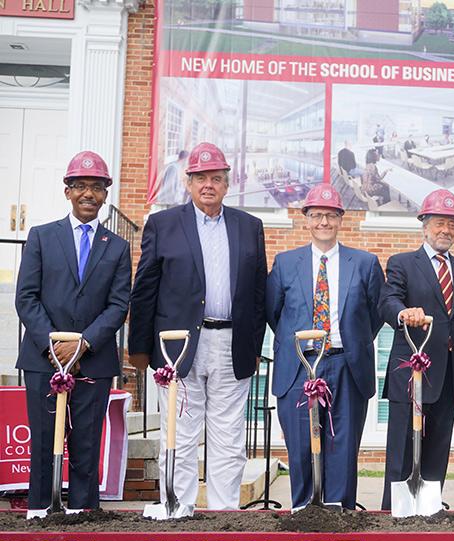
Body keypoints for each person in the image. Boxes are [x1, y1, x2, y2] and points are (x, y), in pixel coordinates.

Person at [129, 142, 267, 511]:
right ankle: (177, 510)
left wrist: (254, 348)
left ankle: (224, 515)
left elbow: (258, 294)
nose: (209, 185)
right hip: (178, 346)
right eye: (201, 178)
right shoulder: (163, 224)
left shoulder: (249, 227)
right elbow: (144, 288)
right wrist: (140, 348)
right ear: (188, 183)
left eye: (216, 178)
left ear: (227, 184)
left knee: (229, 437)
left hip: (231, 344)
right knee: (180, 433)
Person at [16, 151, 131, 512]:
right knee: (43, 442)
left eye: (96, 187)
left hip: (93, 361)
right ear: (67, 191)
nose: (88, 194)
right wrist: (55, 346)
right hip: (43, 359)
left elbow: (118, 305)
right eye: (80, 186)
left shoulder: (117, 247)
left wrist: (82, 345)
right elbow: (26, 298)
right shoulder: (41, 237)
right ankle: (39, 513)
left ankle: (84, 516)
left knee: (86, 445)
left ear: (105, 195)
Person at [266, 184, 384, 510]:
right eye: (317, 215)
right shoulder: (286, 263)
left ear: (341, 219)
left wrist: (351, 341)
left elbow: (374, 315)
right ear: (306, 219)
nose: (324, 222)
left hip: (346, 364)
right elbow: (274, 313)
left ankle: (340, 514)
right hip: (299, 367)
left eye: (331, 215)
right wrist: (303, 345)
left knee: (342, 446)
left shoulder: (364, 263)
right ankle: (304, 511)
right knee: (301, 445)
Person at [379, 190, 454, 510]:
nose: (446, 230)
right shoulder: (402, 263)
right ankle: (393, 513)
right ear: (424, 225)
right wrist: (403, 313)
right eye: (439, 223)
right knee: (402, 451)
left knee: (438, 451)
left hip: (449, 376)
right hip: (411, 375)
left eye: (452, 224)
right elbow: (388, 301)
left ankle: (428, 509)